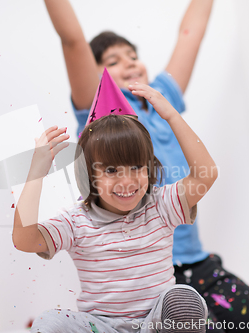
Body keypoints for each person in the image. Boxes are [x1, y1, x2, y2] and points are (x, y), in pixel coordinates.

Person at [43, 0, 249, 331]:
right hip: (146, 279)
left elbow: (191, 35)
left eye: (132, 56)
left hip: (196, 264)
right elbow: (72, 40)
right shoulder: (98, 114)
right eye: (113, 61)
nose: (130, 63)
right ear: (96, 77)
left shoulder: (161, 99)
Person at [13, 69, 219, 332]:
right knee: (49, 322)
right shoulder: (76, 220)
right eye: (111, 170)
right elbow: (24, 240)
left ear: (149, 167)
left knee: (184, 299)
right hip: (101, 327)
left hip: (153, 326)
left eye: (136, 167)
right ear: (89, 175)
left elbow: (207, 174)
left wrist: (170, 115)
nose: (127, 181)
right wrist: (36, 173)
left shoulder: (161, 204)